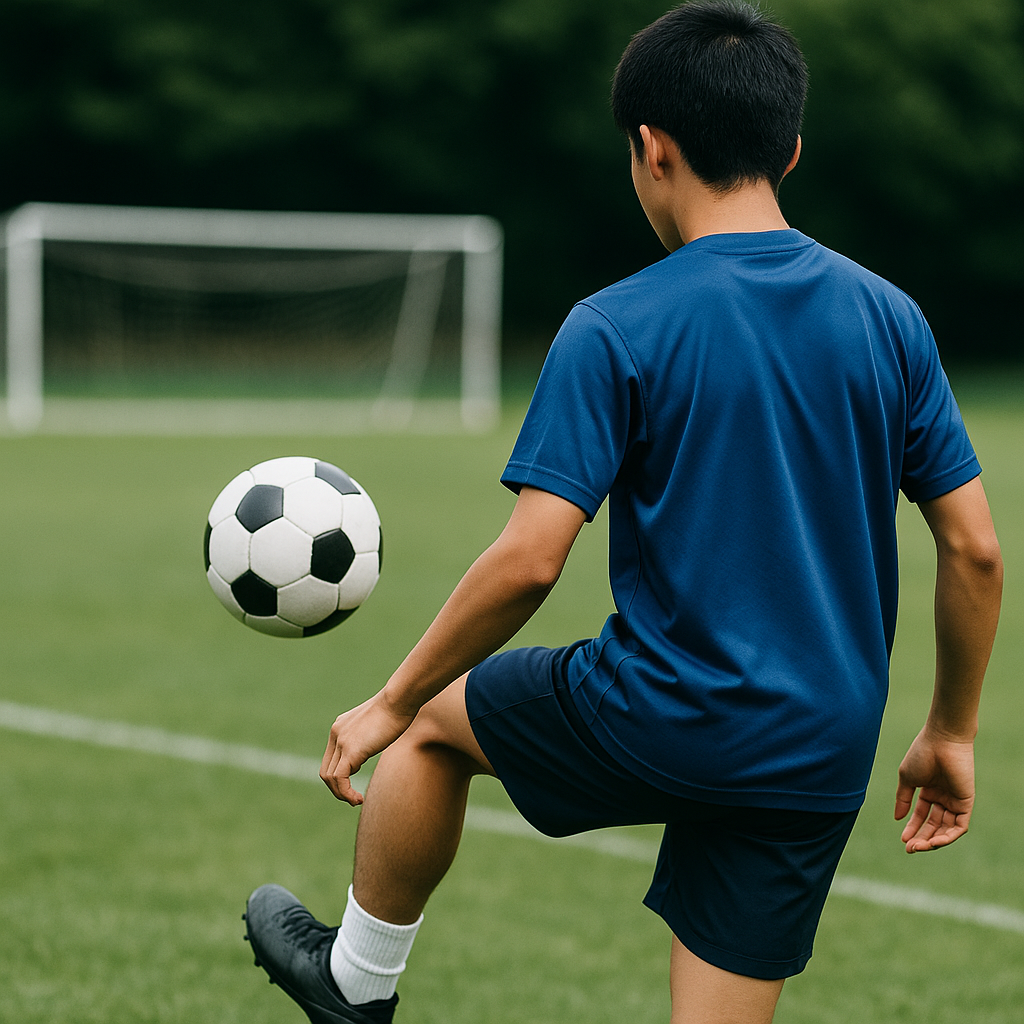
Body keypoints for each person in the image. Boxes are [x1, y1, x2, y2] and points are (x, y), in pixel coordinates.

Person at [243, 2, 1004, 1022]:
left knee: (430, 727)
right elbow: (976, 550)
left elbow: (528, 560)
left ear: (650, 148)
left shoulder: (617, 324)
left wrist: (389, 695)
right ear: (790, 147)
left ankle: (354, 982)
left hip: (667, 709)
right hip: (820, 742)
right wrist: (950, 729)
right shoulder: (889, 317)